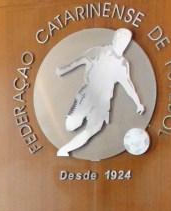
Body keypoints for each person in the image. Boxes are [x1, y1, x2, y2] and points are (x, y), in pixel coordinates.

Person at [55, 27, 145, 157]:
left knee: (94, 128)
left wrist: (138, 103)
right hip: (88, 94)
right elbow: (79, 60)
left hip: (103, 101)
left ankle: (64, 150)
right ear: (114, 38)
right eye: (120, 36)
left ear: (128, 42)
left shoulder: (123, 64)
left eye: (126, 38)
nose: (122, 40)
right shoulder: (98, 51)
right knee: (71, 126)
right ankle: (73, 121)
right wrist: (63, 70)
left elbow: (128, 84)